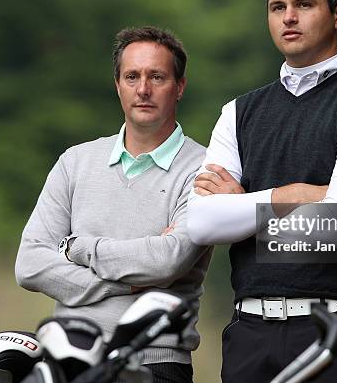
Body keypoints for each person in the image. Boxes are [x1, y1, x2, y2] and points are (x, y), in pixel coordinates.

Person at [187, 0, 337, 383]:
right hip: (249, 332)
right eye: (277, 7)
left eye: (304, 4)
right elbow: (200, 223)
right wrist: (292, 195)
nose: (289, 17)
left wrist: (240, 209)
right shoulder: (238, 112)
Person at [15, 26, 211, 383]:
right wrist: (127, 283)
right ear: (117, 84)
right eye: (132, 76)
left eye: (157, 77)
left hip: (154, 364)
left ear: (179, 86)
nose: (143, 89)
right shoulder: (75, 162)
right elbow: (29, 264)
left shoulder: (204, 170)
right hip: (67, 357)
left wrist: (77, 248)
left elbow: (168, 260)